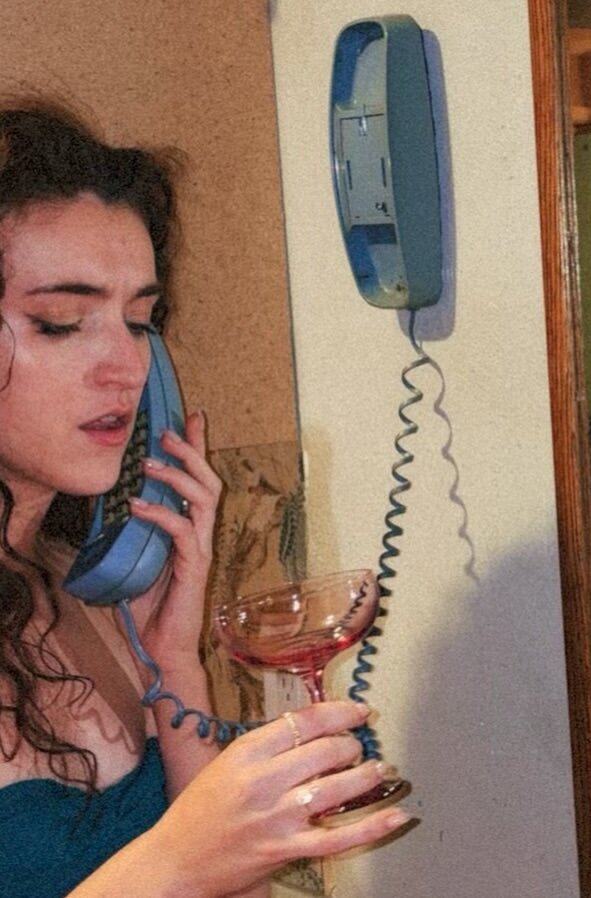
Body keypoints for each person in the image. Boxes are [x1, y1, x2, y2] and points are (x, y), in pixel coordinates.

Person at [0, 101, 410, 898]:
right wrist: (179, 859)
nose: (125, 366)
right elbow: (185, 869)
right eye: (61, 322)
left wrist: (174, 659)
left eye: (140, 321)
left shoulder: (92, 589)